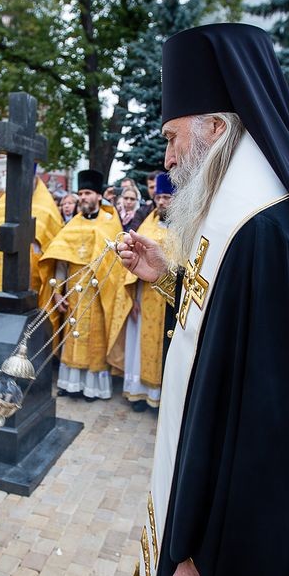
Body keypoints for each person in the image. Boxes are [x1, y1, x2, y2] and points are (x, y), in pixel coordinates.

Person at [116, 23, 289, 576]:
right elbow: (227, 339)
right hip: (217, 523)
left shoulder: (261, 233)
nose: (168, 158)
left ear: (215, 128)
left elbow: (264, 429)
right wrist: (170, 277)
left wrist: (199, 555)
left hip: (227, 548)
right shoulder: (246, 216)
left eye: (173, 137)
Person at [39, 169, 124, 401]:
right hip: (74, 291)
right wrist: (57, 293)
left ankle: (92, 388)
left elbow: (117, 263)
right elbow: (60, 261)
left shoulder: (110, 222)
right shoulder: (73, 224)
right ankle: (71, 384)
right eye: (81, 193)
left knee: (94, 338)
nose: (83, 197)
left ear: (98, 196)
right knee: (72, 335)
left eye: (88, 193)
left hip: (99, 292)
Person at [109, 173, 175, 412]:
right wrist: (133, 298)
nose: (161, 202)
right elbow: (135, 263)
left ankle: (160, 397)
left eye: (166, 197)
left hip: (169, 300)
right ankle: (138, 393)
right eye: (158, 197)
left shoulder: (184, 226)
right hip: (145, 297)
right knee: (140, 346)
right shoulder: (146, 223)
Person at [0, 169, 63, 308]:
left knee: (26, 307)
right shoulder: (4, 202)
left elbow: (53, 246)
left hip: (30, 262)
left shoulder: (47, 206)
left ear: (34, 178)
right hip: (0, 258)